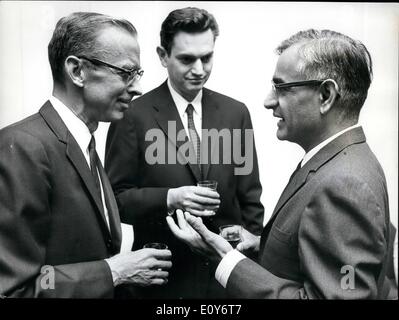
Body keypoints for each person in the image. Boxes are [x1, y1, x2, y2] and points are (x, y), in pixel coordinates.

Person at [167, 29, 394, 299]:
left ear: (326, 96)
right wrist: (263, 245)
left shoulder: (344, 183)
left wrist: (225, 260)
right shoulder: (338, 162)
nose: (268, 101)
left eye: (281, 88)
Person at [0, 12, 172, 298]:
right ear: (77, 71)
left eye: (137, 75)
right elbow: (15, 288)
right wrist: (114, 272)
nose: (138, 88)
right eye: (126, 72)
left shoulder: (85, 146)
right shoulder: (23, 148)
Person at [105, 7, 264, 298]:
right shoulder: (133, 115)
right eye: (187, 59)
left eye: (207, 57)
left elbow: (250, 198)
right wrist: (170, 197)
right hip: (161, 281)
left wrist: (244, 249)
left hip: (225, 282)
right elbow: (115, 199)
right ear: (163, 56)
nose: (199, 69)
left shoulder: (236, 113)